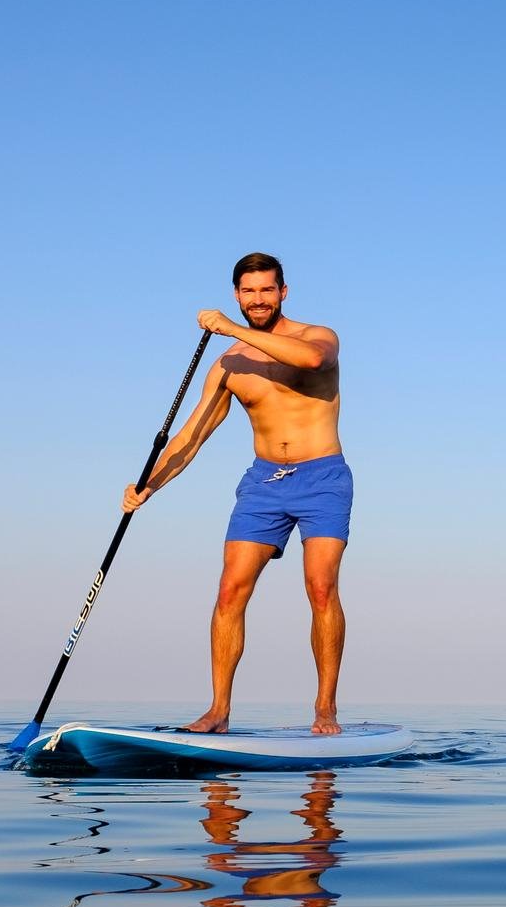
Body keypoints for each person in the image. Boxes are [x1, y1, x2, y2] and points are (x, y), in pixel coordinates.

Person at [123, 253, 350, 734]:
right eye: (249, 291)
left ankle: (325, 709)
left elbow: (314, 360)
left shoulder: (317, 336)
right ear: (237, 294)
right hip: (264, 482)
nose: (258, 299)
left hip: (322, 477)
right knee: (230, 590)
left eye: (267, 289)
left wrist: (230, 328)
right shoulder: (228, 365)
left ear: (283, 292)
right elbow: (190, 437)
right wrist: (148, 486)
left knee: (321, 587)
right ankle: (218, 711)